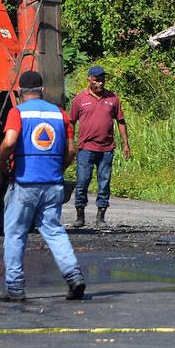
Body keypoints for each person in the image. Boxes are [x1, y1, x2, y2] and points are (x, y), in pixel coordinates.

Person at [0, 70, 87, 301]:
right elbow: (71, 150)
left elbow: (9, 141)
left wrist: (2, 163)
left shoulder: (17, 112)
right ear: (42, 90)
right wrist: (59, 170)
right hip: (52, 184)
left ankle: (15, 288)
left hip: (24, 184)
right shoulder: (59, 114)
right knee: (54, 230)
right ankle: (74, 276)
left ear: (19, 91)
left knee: (15, 234)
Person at [69, 64, 131, 227]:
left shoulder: (113, 98)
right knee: (82, 182)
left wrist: (126, 144)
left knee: (104, 183)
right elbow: (71, 122)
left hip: (106, 149)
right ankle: (80, 215)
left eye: (102, 80)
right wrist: (71, 144)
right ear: (89, 80)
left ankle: (101, 216)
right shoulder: (80, 99)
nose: (100, 83)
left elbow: (121, 121)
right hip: (86, 148)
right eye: (96, 80)